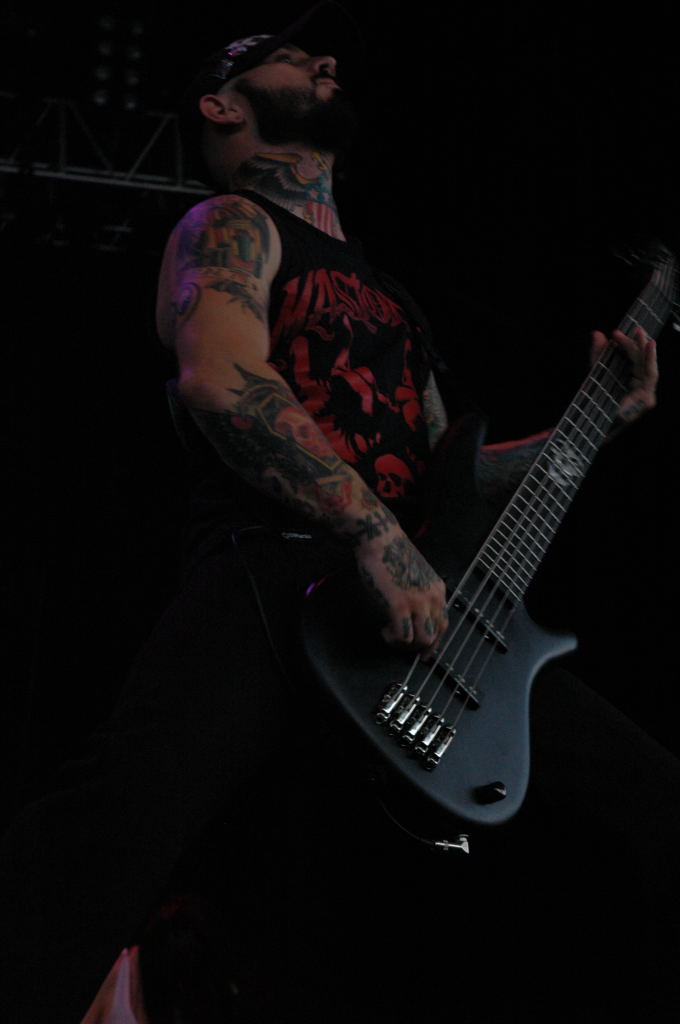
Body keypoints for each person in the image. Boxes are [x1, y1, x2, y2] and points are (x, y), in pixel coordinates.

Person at [0, 3, 676, 1022]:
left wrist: (592, 427)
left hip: (418, 613)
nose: (323, 59)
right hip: (274, 573)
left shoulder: (390, 294)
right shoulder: (229, 226)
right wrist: (372, 533)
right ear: (222, 104)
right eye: (289, 56)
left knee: (650, 802)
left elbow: (453, 483)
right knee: (119, 820)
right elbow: (222, 379)